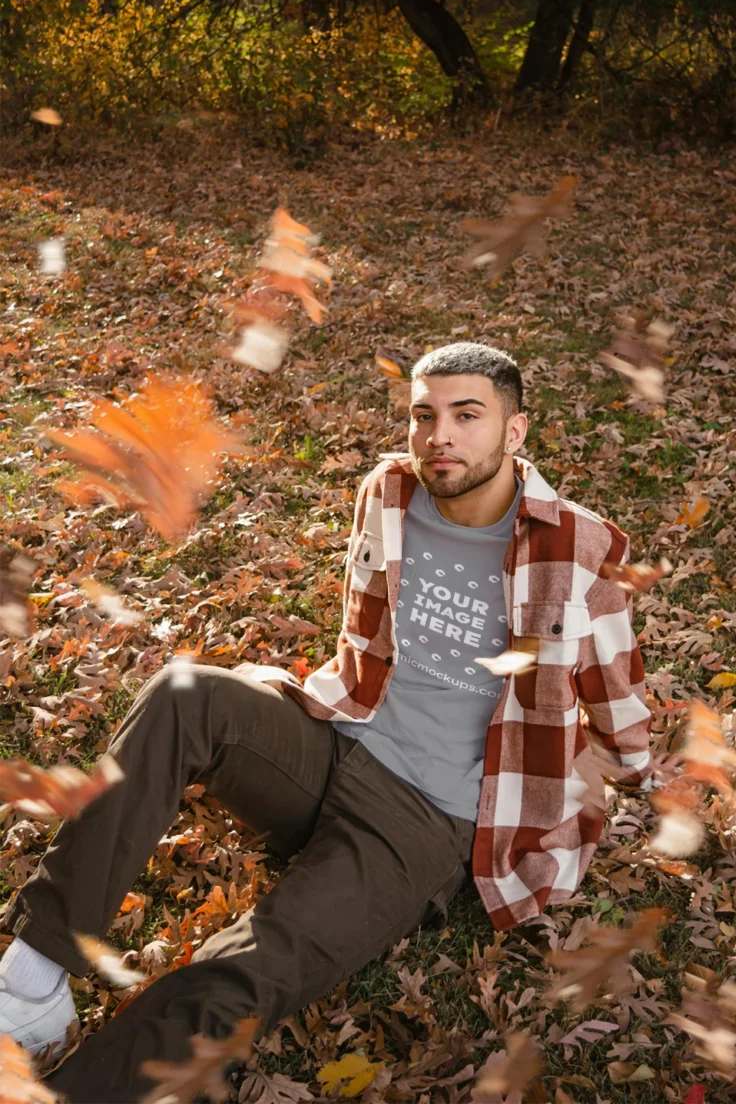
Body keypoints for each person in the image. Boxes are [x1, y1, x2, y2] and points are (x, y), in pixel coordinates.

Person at [0, 342, 652, 1102]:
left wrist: (559, 808)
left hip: (424, 821)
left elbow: (623, 725)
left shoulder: (578, 549)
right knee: (185, 692)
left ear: (514, 433)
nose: (438, 434)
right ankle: (33, 979)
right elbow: (363, 641)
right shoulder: (390, 492)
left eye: (466, 416)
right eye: (424, 415)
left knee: (247, 965)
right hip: (338, 741)